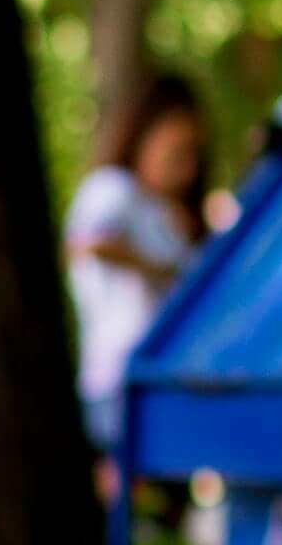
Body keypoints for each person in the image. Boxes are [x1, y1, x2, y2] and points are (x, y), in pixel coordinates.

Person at [66, 67, 209, 454]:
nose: (187, 168)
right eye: (177, 151)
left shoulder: (170, 213)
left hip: (170, 382)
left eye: (193, 154)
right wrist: (160, 269)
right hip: (117, 380)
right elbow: (89, 243)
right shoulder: (114, 189)